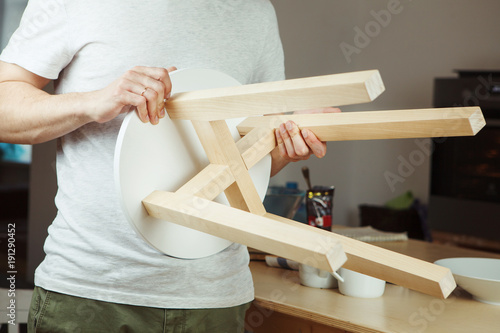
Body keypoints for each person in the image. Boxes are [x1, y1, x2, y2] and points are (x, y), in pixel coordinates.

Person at [0, 1, 336, 332]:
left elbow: (247, 162)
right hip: (92, 295)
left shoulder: (255, 13)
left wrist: (286, 144)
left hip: (214, 298)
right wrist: (94, 101)